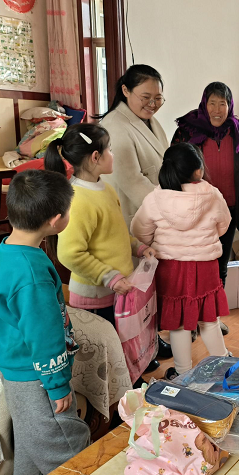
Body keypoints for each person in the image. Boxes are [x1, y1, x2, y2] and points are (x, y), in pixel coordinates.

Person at [44, 123, 159, 375]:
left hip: (116, 290)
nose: (113, 155)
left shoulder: (105, 188)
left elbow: (114, 234)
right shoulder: (78, 199)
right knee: (105, 360)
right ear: (96, 157)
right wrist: (110, 277)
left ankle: (129, 384)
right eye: (110, 150)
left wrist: (138, 247)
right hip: (96, 298)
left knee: (120, 350)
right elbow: (70, 253)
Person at [0, 170, 91, 474]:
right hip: (37, 378)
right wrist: (57, 385)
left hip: (16, 372)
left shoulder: (6, 250)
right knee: (69, 452)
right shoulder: (32, 274)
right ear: (56, 220)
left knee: (29, 446)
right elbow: (44, 336)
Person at [131, 143, 232, 381]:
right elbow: (224, 225)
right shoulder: (212, 194)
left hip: (171, 267)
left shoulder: (156, 197)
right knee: (209, 319)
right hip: (205, 265)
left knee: (178, 324)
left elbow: (139, 230)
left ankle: (183, 373)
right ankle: (224, 367)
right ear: (198, 170)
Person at [98, 64, 175, 352]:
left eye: (158, 98)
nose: (152, 104)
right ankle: (138, 351)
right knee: (133, 292)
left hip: (153, 214)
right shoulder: (115, 126)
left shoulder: (150, 122)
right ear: (126, 91)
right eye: (146, 97)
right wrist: (173, 207)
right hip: (132, 217)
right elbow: (132, 181)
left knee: (147, 290)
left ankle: (151, 343)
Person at [172, 82, 239, 287]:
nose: (217, 110)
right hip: (196, 212)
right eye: (212, 103)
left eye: (222, 104)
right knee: (196, 266)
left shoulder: (238, 132)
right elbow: (173, 169)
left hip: (228, 210)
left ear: (229, 106)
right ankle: (197, 306)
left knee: (221, 267)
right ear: (204, 103)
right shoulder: (187, 131)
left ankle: (215, 307)